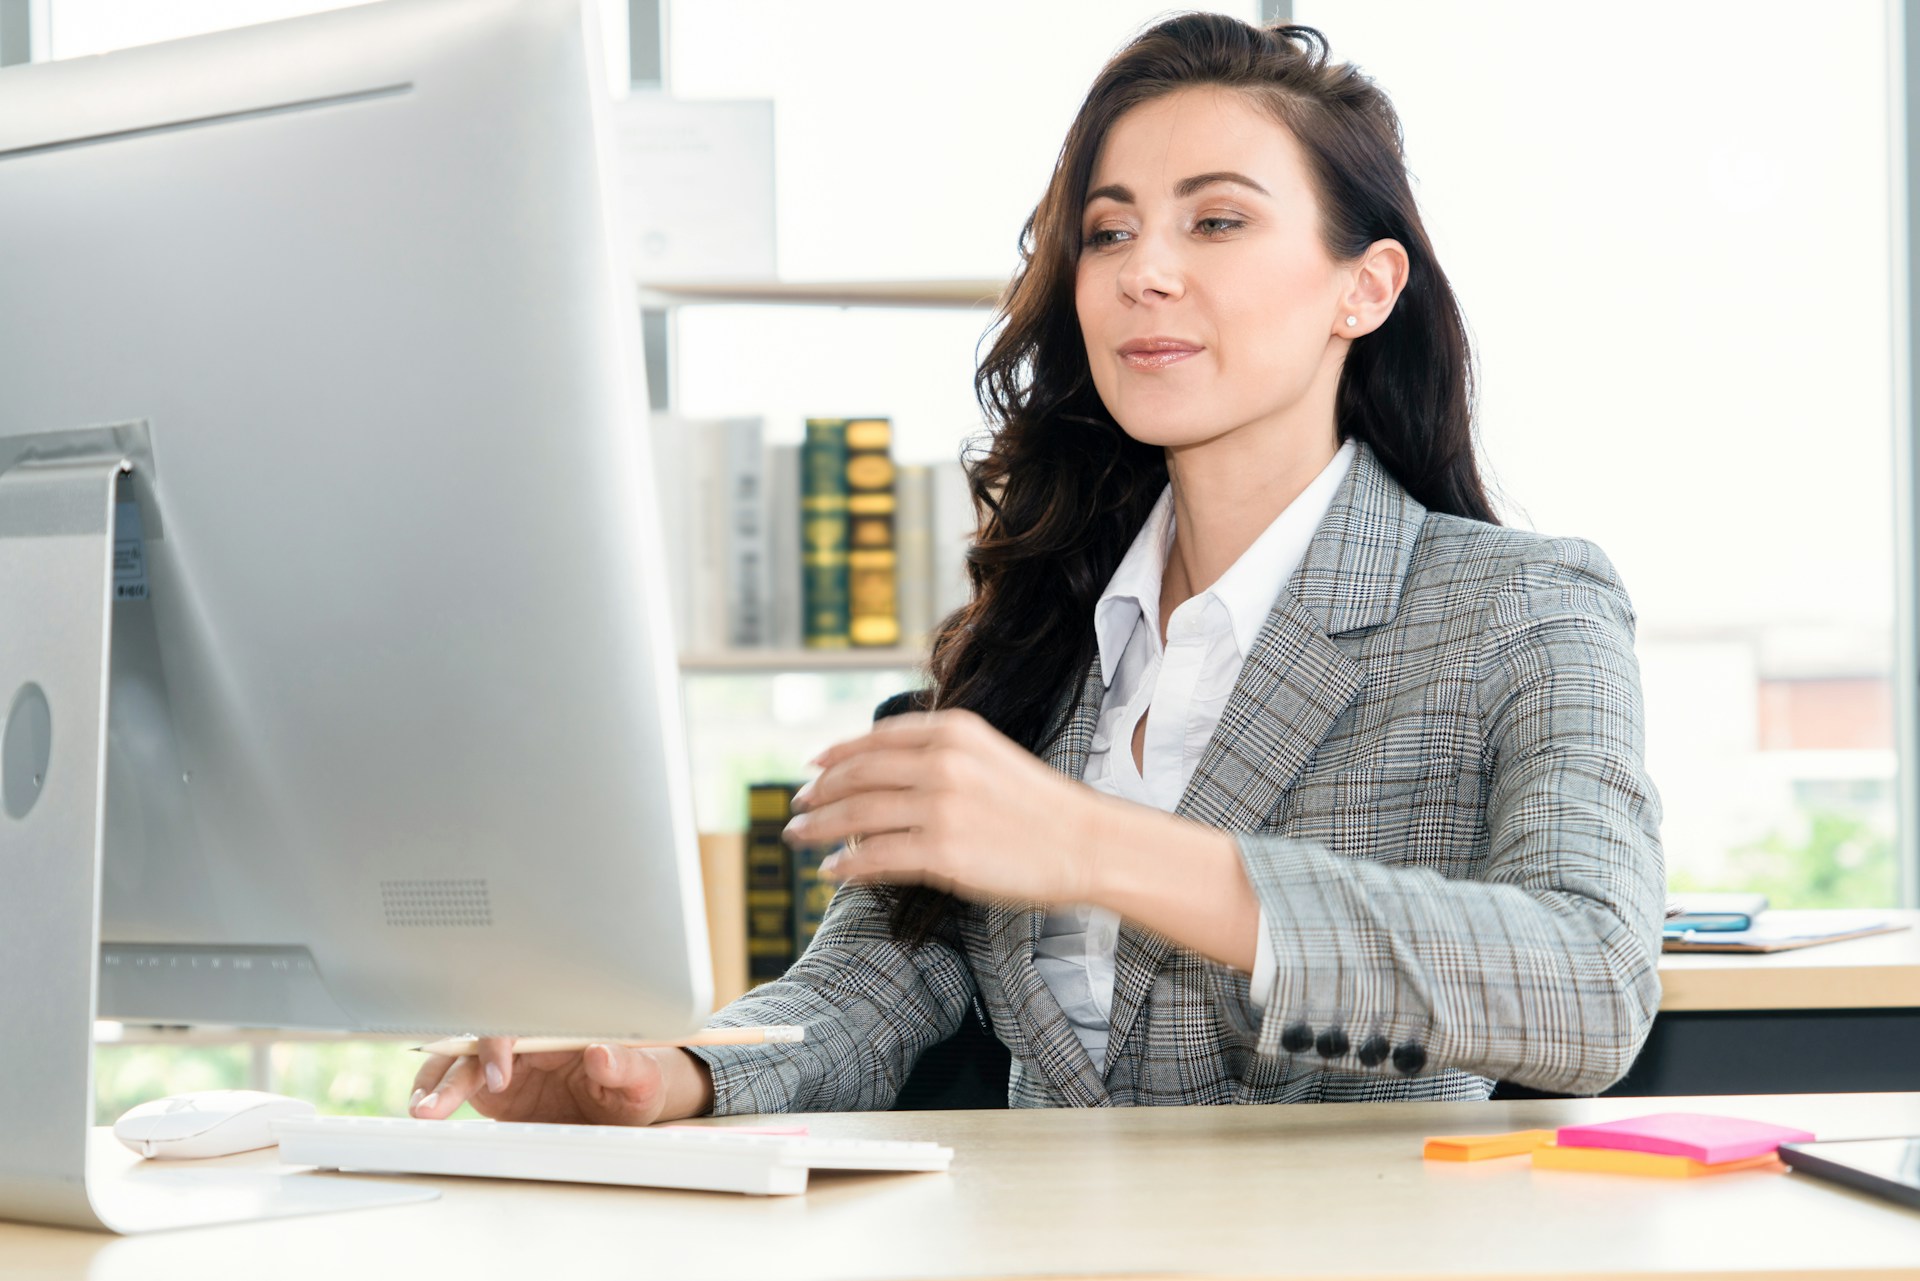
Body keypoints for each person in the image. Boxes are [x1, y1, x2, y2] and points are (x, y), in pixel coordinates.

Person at [409, 12, 1664, 1125]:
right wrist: (667, 1070)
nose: (1142, 271)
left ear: (1365, 286)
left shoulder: (1516, 610)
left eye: (1216, 220)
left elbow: (1590, 986)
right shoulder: (1040, 626)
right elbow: (876, 982)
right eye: (1107, 232)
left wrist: (1095, 846)